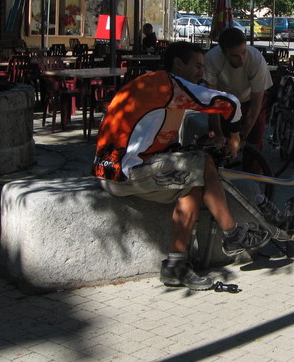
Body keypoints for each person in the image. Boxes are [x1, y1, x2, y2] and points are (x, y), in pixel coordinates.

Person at [93, 41, 270, 290]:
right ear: (178, 64)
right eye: (197, 66)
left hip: (111, 170)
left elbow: (150, 135)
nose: (201, 72)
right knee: (203, 163)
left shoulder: (150, 84)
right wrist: (234, 136)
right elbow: (229, 104)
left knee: (193, 185)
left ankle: (176, 265)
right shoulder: (170, 85)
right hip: (125, 172)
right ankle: (232, 234)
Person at [204, 27, 273, 149]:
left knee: (253, 142)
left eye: (243, 52)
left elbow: (256, 105)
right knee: (219, 145)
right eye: (235, 56)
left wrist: (241, 137)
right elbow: (213, 103)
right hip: (224, 102)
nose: (241, 59)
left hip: (250, 99)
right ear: (224, 53)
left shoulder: (256, 60)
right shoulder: (211, 60)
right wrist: (218, 134)